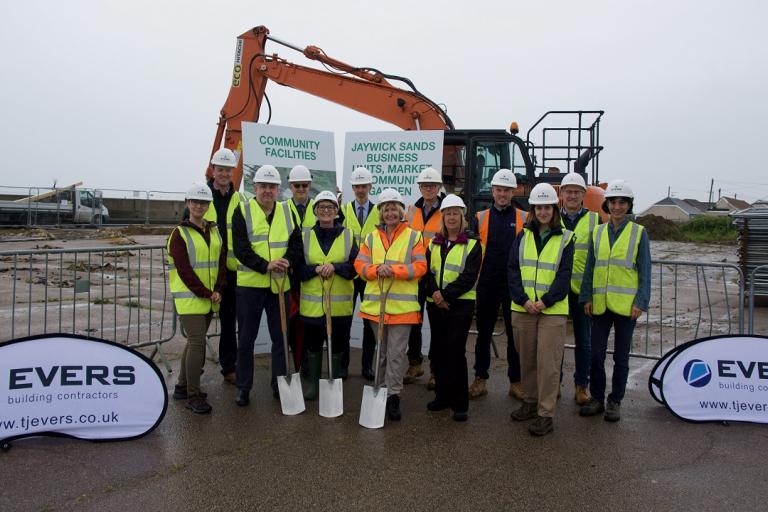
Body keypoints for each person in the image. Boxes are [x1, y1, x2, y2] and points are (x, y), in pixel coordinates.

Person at [231, 165, 303, 406]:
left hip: (279, 287)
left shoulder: (287, 211)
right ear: (255, 188)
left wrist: (288, 260)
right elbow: (241, 249)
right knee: (246, 340)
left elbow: (296, 243)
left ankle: (279, 385)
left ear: (278, 189)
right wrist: (265, 265)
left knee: (280, 338)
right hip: (250, 287)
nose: (267, 191)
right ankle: (243, 388)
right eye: (263, 186)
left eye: (272, 187)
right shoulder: (242, 210)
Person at [579, 180, 651, 422]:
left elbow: (645, 271)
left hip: (625, 307)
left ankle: (615, 401)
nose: (617, 206)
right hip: (599, 304)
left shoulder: (639, 233)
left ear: (629, 205)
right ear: (607, 205)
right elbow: (590, 268)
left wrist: (640, 302)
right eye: (613, 202)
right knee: (596, 355)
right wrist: (586, 295)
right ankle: (597, 398)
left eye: (622, 202)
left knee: (621, 358)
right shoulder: (597, 232)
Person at [354, 188, 427, 422]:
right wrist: (376, 270)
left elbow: (420, 267)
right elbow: (360, 265)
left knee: (396, 355)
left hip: (402, 310)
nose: (390, 213)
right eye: (386, 209)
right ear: (381, 212)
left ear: (401, 211)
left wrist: (393, 270)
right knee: (382, 354)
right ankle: (381, 391)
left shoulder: (414, 236)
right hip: (376, 308)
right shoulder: (371, 238)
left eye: (394, 208)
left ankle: (393, 396)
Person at [509, 183, 574, 436]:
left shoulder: (566, 238)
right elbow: (512, 271)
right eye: (539, 207)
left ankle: (545, 414)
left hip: (552, 310)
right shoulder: (522, 236)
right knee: (527, 359)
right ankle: (530, 401)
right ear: (533, 210)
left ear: (554, 209)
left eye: (547, 207)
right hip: (523, 307)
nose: (543, 212)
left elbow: (564, 276)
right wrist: (524, 300)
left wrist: (544, 301)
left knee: (548, 363)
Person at [167, 183, 227, 414]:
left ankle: (182, 386)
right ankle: (193, 395)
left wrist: (219, 288)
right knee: (198, 344)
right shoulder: (179, 234)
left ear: (208, 205)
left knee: (193, 344)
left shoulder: (214, 231)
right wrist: (206, 292)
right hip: (191, 299)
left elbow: (220, 263)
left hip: (210, 297)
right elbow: (184, 270)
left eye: (202, 202)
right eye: (194, 202)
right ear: (187, 204)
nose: (198, 206)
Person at [422, 194, 481, 422]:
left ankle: (460, 404)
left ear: (462, 217)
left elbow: (469, 277)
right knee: (438, 351)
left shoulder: (473, 244)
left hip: (460, 306)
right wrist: (435, 294)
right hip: (435, 305)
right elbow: (425, 273)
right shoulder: (433, 243)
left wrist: (445, 295)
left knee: (455, 352)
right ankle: (442, 397)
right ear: (443, 217)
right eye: (448, 214)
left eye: (456, 213)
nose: (452, 217)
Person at [468, 168, 526, 400]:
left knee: (515, 336)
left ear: (513, 192)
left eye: (506, 190)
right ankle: (480, 378)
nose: (502, 194)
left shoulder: (524, 217)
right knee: (483, 334)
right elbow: (472, 252)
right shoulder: (480, 217)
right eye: (499, 190)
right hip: (487, 283)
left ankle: (516, 381)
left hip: (514, 285)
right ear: (492, 191)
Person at [297, 191, 358, 399]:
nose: (326, 211)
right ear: (315, 211)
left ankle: (334, 384)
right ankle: (314, 384)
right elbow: (297, 270)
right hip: (312, 307)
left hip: (340, 307)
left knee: (338, 345)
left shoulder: (348, 236)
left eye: (330, 208)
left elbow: (354, 268)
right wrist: (315, 269)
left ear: (336, 211)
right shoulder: (305, 237)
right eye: (322, 207)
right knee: (313, 345)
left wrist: (335, 267)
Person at [559, 172, 600, 405]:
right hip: (557, 291)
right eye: (568, 191)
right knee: (555, 341)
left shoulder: (594, 220)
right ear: (562, 194)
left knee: (584, 341)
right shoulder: (552, 217)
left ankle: (581, 386)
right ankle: (555, 383)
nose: (572, 195)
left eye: (577, 191)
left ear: (584, 194)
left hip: (583, 292)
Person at [202, 148, 241, 385]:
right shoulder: (202, 197)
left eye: (228, 169)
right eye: (220, 169)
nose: (224, 173)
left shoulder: (240, 199)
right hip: (208, 271)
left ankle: (229, 367)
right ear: (213, 170)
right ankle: (192, 373)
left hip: (232, 271)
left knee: (228, 321)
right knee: (200, 323)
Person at [339, 167, 380, 380]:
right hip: (348, 274)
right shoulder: (343, 210)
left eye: (364, 186)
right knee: (345, 320)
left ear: (370, 187)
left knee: (369, 322)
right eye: (357, 186)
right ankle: (343, 366)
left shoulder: (379, 211)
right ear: (352, 188)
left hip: (370, 275)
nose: (360, 190)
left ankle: (367, 366)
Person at [404, 166, 443, 387]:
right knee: (413, 322)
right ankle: (415, 363)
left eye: (432, 185)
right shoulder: (411, 211)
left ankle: (436, 371)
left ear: (438, 187)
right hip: (415, 276)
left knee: (437, 325)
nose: (428, 189)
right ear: (420, 187)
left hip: (436, 276)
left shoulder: (447, 209)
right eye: (425, 185)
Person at [286, 164, 315, 375]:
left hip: (311, 273)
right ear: (290, 186)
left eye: (305, 185)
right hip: (290, 273)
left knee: (309, 321)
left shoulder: (319, 207)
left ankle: (306, 359)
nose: (301, 189)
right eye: (297, 185)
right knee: (291, 319)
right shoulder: (282, 209)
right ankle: (293, 358)